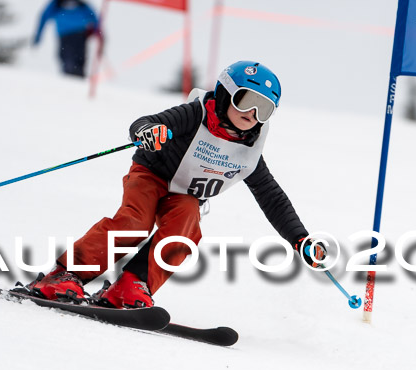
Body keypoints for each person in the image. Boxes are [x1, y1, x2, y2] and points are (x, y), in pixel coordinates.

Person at [27, 61, 327, 308]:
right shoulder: (196, 114)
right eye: (247, 101)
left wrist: (300, 239)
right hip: (151, 175)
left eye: (265, 109)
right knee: (134, 223)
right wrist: (149, 131)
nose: (253, 114)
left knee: (185, 229)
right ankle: (64, 275)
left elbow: (272, 197)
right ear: (225, 94)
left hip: (184, 194)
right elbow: (147, 122)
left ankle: (130, 286)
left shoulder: (249, 149)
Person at [33, 0, 102, 77]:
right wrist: (98, 33)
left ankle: (71, 77)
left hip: (66, 34)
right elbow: (94, 17)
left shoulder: (57, 3)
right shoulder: (79, 3)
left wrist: (38, 36)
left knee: (68, 60)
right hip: (78, 34)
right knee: (77, 60)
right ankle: (76, 78)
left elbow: (44, 16)